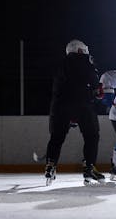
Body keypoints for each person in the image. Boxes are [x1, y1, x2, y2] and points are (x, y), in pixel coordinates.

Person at [44, 39, 104, 186]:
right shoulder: (86, 61)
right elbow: (95, 85)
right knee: (91, 136)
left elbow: (58, 87)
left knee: (56, 137)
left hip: (59, 106)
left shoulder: (60, 64)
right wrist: (97, 91)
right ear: (79, 50)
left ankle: (50, 164)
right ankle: (89, 167)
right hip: (83, 105)